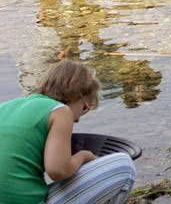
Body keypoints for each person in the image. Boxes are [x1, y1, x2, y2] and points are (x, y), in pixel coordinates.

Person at [0, 60, 136, 204]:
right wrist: (83, 156)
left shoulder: (4, 107)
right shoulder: (60, 110)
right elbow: (57, 171)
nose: (76, 120)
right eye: (85, 108)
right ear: (80, 96)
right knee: (124, 165)